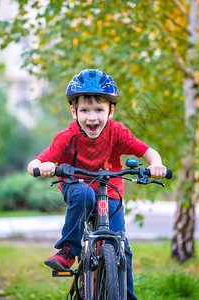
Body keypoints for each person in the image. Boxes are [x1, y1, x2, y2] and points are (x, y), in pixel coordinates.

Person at [27, 68, 166, 300]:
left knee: (123, 249)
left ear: (111, 111)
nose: (92, 117)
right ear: (74, 111)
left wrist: (156, 164)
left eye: (99, 110)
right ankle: (68, 251)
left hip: (109, 192)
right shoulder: (66, 137)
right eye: (85, 110)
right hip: (77, 185)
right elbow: (35, 162)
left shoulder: (117, 132)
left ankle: (126, 296)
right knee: (84, 195)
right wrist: (43, 167)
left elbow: (148, 152)